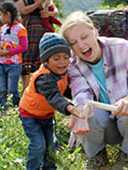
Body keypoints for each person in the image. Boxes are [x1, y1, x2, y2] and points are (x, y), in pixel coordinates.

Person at [60, 11, 128, 170]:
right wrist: (81, 108)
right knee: (85, 111)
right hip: (107, 127)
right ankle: (97, 156)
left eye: (84, 37)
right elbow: (81, 92)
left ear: (95, 32)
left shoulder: (123, 48)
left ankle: (127, 153)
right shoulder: (73, 64)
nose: (81, 45)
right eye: (73, 42)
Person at [18, 32, 84, 170]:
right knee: (38, 145)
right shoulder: (44, 79)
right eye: (56, 58)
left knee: (51, 144)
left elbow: (64, 90)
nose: (62, 62)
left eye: (66, 57)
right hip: (30, 115)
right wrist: (70, 107)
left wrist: (81, 97)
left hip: (46, 115)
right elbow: (54, 96)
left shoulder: (62, 73)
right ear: (46, 61)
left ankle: (49, 167)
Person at [14, 0, 60, 89]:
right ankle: (26, 89)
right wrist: (39, 3)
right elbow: (24, 10)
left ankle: (43, 88)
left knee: (43, 58)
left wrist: (48, 13)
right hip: (29, 31)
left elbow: (55, 12)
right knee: (27, 59)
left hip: (44, 30)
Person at [0, 1, 28, 112]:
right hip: (1, 63)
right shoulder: (2, 29)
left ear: (7, 14)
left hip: (14, 64)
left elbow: (24, 46)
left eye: (1, 15)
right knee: (2, 89)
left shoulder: (20, 29)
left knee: (12, 89)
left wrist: (9, 52)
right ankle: (3, 111)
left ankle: (16, 109)